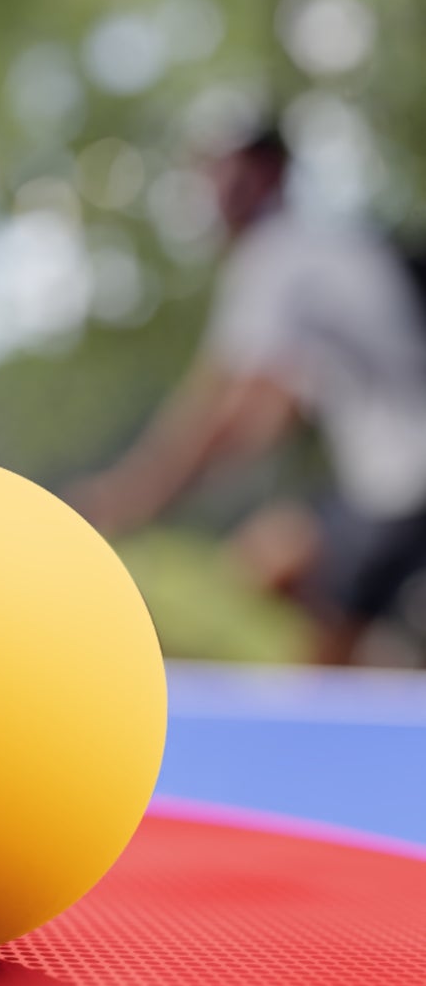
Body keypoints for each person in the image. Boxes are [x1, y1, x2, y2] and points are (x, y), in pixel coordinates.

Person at [74, 127, 426, 664]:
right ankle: (393, 663)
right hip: (383, 485)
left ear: (269, 174)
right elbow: (272, 412)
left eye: (226, 168)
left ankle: (384, 680)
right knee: (270, 563)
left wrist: (128, 498)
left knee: (317, 673)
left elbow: (225, 412)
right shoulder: (327, 247)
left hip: (402, 486)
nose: (211, 188)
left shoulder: (278, 255)